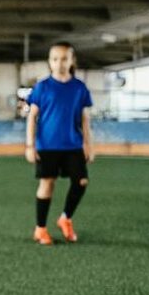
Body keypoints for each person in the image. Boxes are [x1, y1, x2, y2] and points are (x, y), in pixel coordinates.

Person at [25, 42, 94, 245]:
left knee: (81, 182)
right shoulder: (42, 87)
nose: (60, 63)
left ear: (72, 61)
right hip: (47, 146)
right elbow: (32, 117)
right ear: (50, 62)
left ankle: (65, 218)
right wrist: (29, 145)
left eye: (64, 59)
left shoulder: (79, 88)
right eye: (55, 59)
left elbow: (85, 119)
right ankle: (40, 229)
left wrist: (88, 144)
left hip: (73, 144)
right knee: (47, 184)